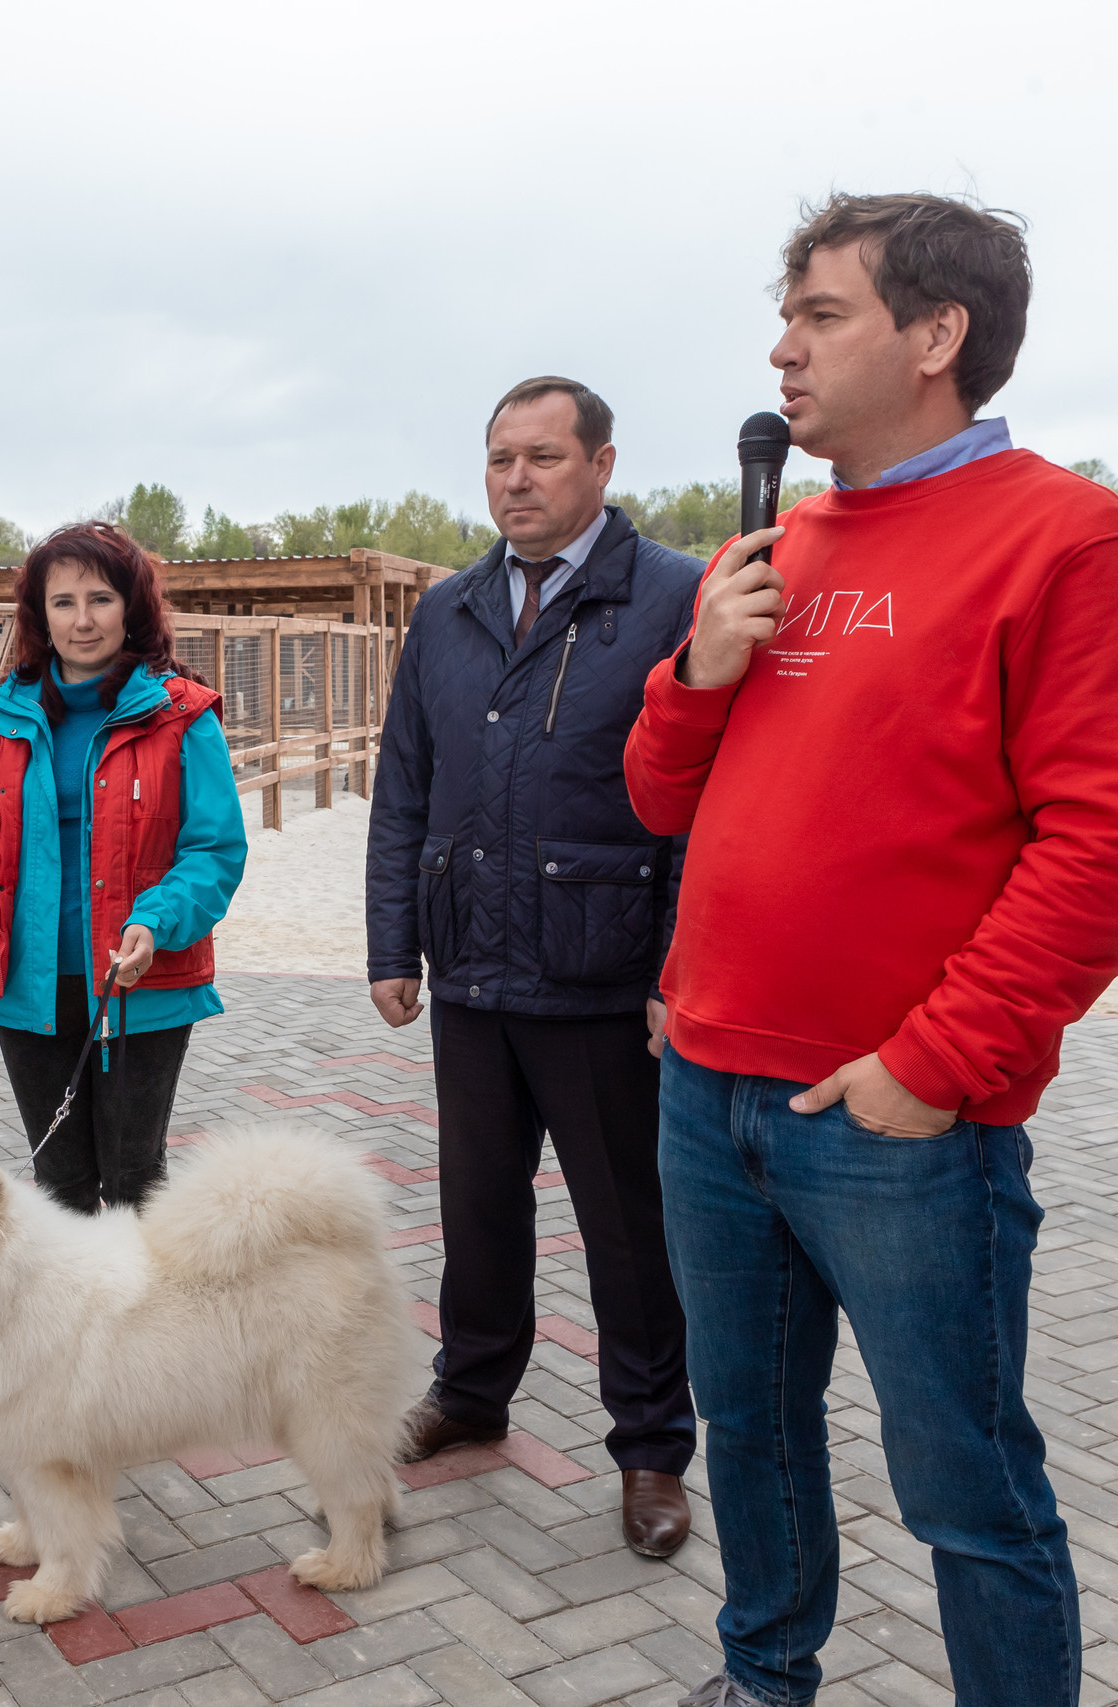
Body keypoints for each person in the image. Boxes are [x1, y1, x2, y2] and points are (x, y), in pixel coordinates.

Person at [624, 195, 1118, 1707]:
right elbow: (662, 793)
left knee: (963, 1482)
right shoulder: (779, 537)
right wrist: (697, 667)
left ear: (937, 337)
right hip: (708, 1088)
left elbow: (1107, 850)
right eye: (786, 316)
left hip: (897, 1125)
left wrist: (935, 1066)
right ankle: (763, 1676)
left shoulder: (1074, 543)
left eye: (820, 314)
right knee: (748, 1432)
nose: (781, 348)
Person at [366, 379, 704, 1558]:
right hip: (469, 970)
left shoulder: (672, 597)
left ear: (602, 465)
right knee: (477, 1208)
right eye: (500, 458)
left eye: (544, 458)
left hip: (601, 977)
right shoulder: (448, 609)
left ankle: (653, 1445)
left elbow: (699, 807)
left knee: (626, 1226)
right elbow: (402, 783)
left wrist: (676, 970)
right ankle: (471, 1390)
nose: (517, 480)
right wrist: (388, 943)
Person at [0, 523, 247, 1212]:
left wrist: (154, 920)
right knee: (60, 1186)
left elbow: (215, 848)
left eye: (100, 598)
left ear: (131, 605)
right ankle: (72, 1322)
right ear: (39, 613)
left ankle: (146, 1321)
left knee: (137, 1181)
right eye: (63, 601)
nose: (82, 619)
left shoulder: (182, 716)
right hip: (27, 987)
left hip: (141, 980)